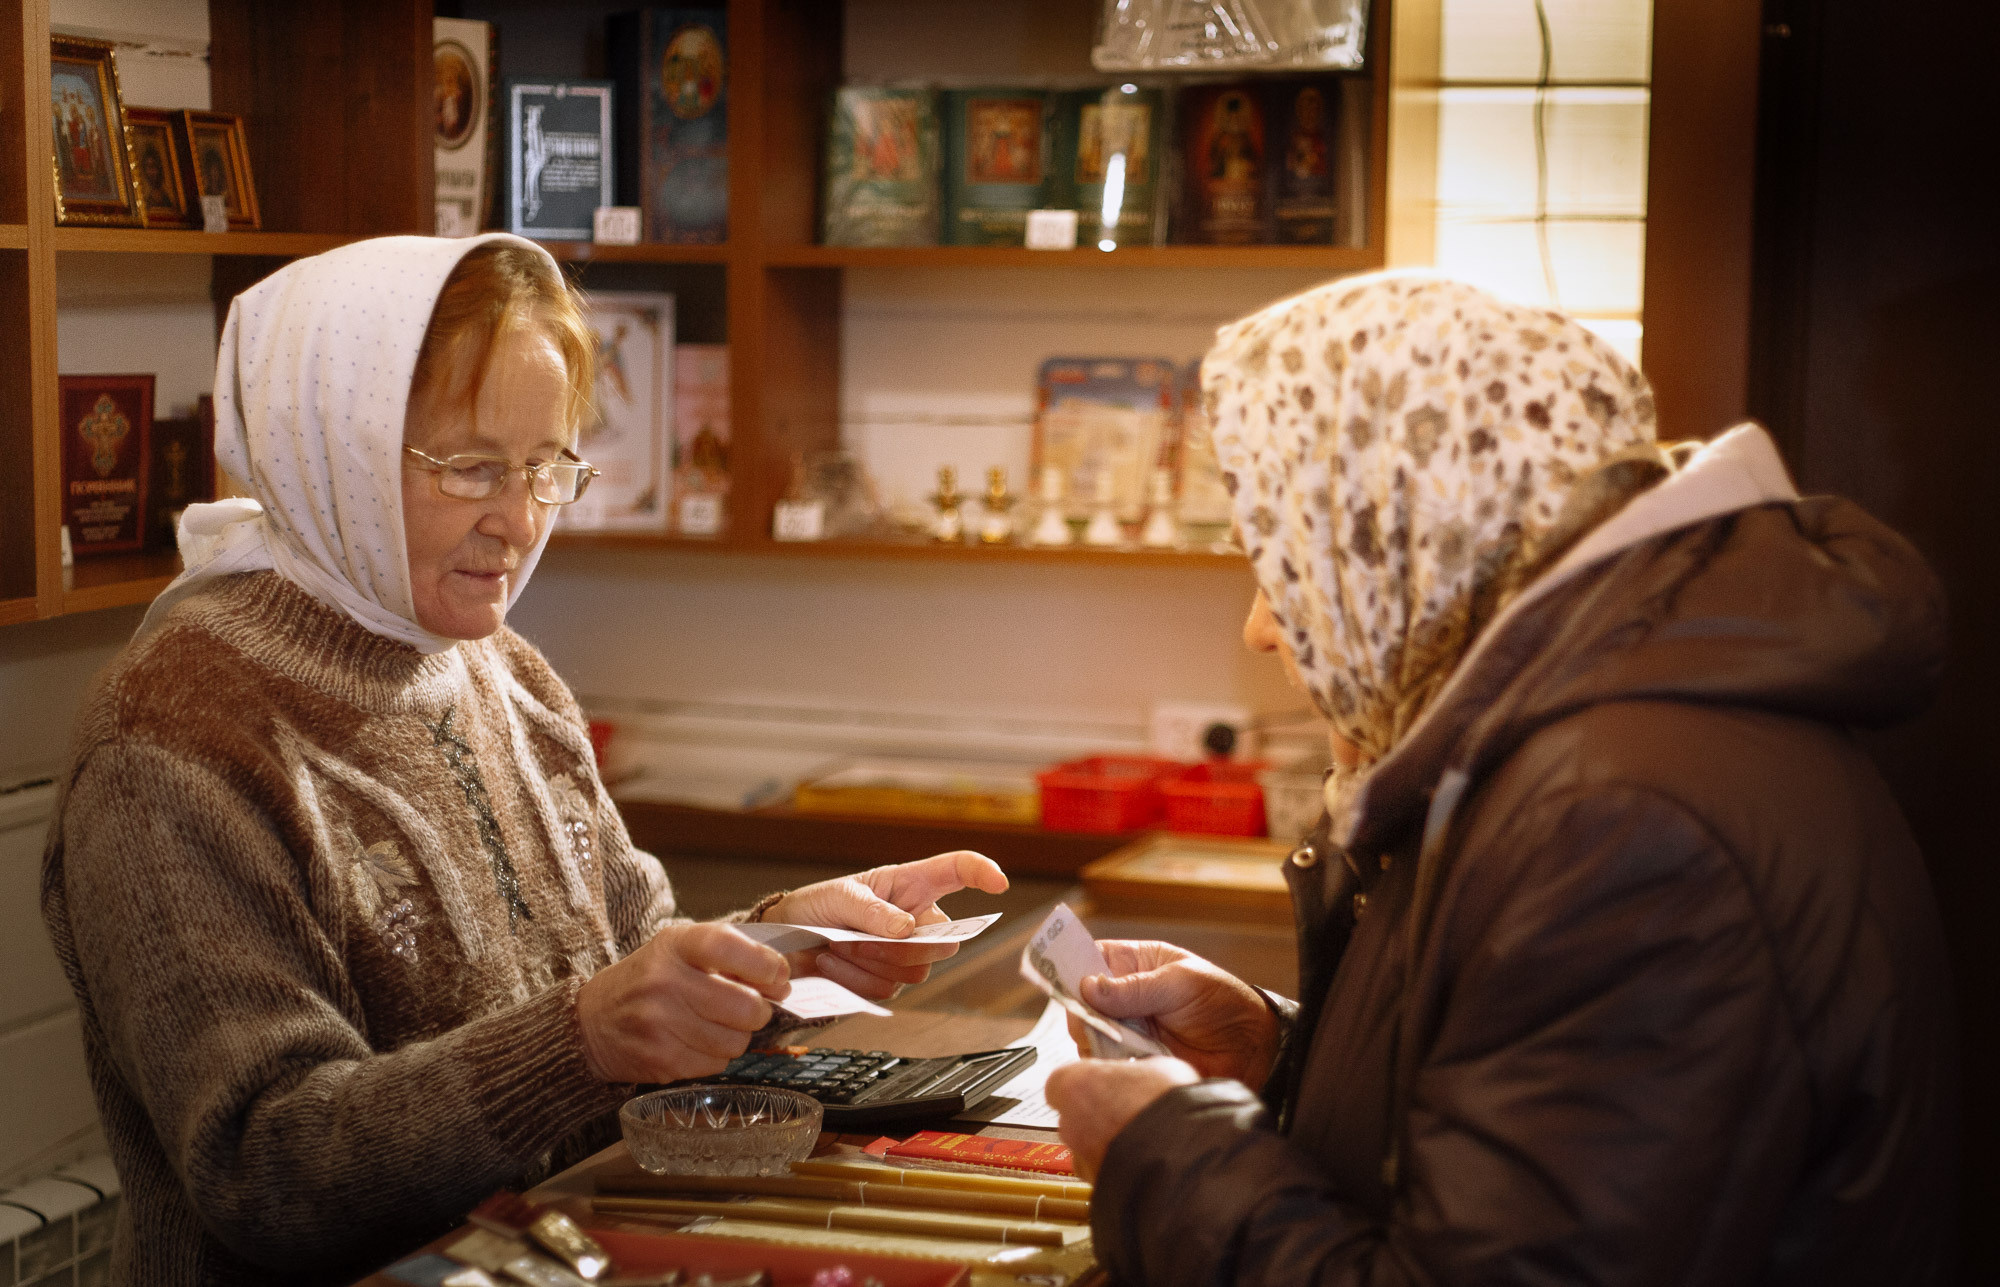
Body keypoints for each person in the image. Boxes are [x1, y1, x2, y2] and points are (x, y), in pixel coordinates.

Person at [40, 233, 1010, 1285]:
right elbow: (268, 1174)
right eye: (470, 468)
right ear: (332, 452)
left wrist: (782, 952)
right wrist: (583, 1040)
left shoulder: (502, 669)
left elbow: (633, 969)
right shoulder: (170, 738)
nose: (517, 519)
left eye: (547, 465)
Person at [1045, 273, 1957, 1284]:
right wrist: (1275, 1053)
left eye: (1284, 566)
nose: (1260, 628)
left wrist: (1166, 1157)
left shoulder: (1619, 822)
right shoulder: (1595, 739)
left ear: (1413, 540)